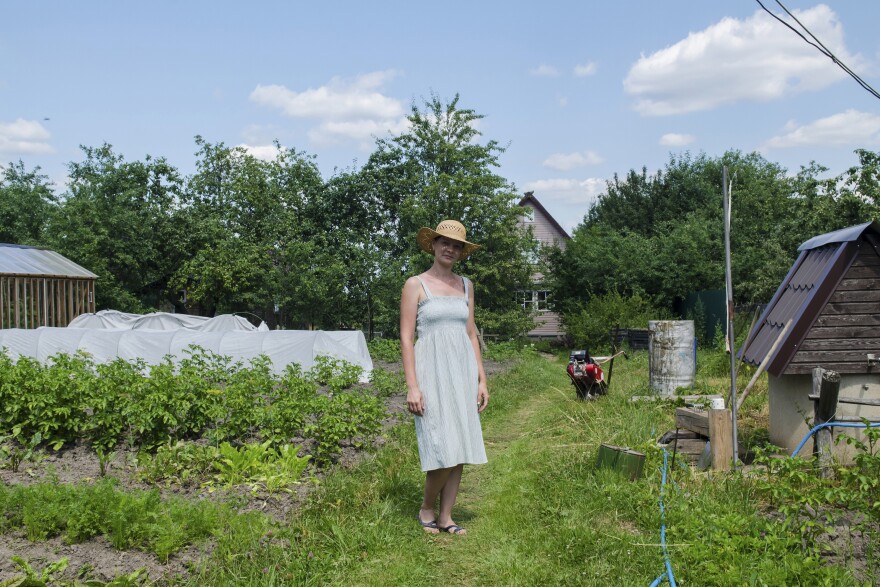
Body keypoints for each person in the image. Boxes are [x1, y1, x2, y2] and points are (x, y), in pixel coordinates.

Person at [400, 220, 489, 536]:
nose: (450, 249)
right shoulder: (415, 284)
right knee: (441, 441)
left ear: (462, 252)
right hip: (431, 372)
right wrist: (412, 386)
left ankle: (446, 516)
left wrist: (481, 379)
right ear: (433, 245)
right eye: (444, 243)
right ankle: (427, 506)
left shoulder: (466, 285)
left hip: (462, 370)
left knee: (460, 441)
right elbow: (407, 337)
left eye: (457, 245)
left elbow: (471, 333)